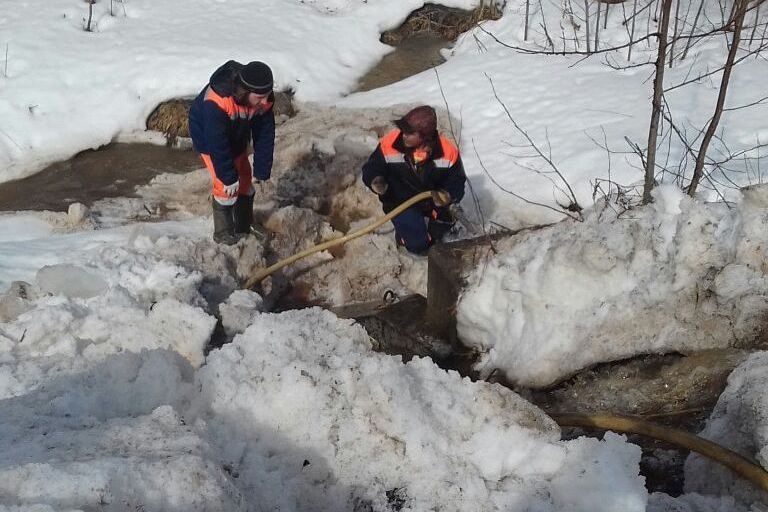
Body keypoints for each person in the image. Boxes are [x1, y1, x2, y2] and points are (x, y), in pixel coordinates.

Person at [188, 60, 275, 245]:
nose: (265, 102)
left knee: (244, 177)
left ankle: (244, 224)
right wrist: (227, 176)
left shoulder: (261, 99)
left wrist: (262, 168)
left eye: (267, 95)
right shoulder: (216, 102)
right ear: (245, 92)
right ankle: (223, 233)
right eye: (260, 97)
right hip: (208, 137)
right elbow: (217, 143)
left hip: (236, 131)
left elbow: (265, 133)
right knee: (225, 186)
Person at [362, 105, 466, 255]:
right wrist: (375, 179)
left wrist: (447, 194)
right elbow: (372, 167)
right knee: (418, 245)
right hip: (401, 203)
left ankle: (437, 228)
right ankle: (407, 237)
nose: (403, 135)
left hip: (434, 202)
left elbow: (457, 181)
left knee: (442, 234)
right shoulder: (389, 144)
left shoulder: (447, 151)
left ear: (424, 136)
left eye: (410, 133)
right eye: (404, 131)